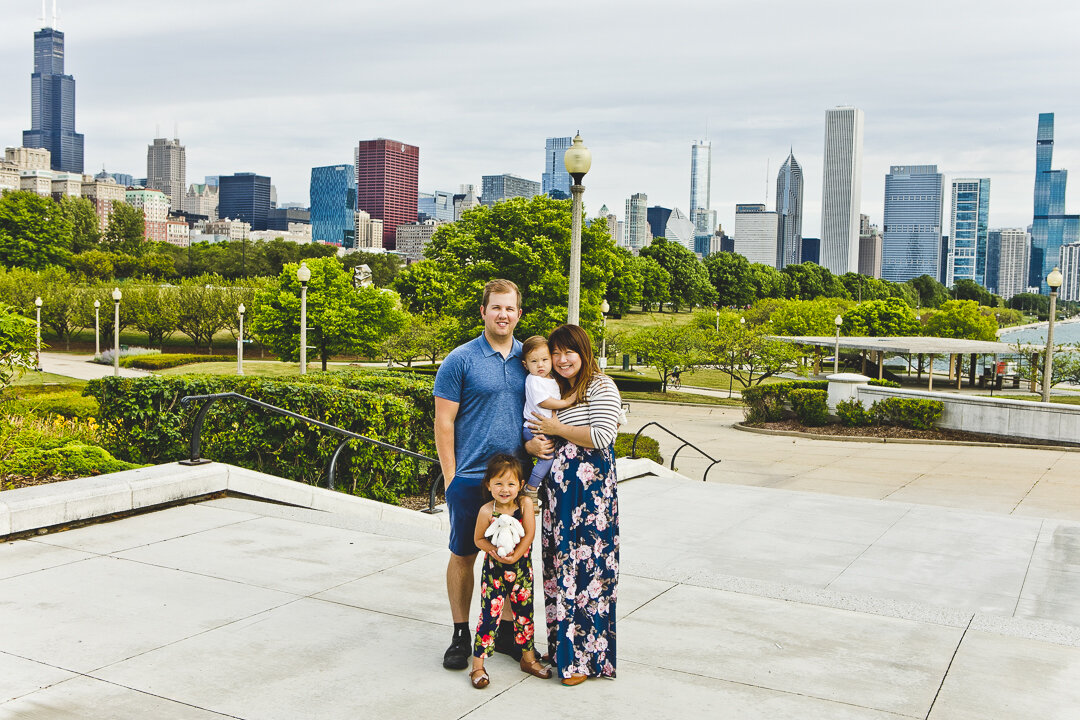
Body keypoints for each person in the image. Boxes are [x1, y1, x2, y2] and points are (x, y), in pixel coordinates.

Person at [433, 279, 553, 671]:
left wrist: (536, 446)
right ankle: (460, 633)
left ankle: (503, 634)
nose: (503, 314)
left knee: (512, 557)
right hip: (470, 478)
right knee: (464, 554)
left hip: (515, 484)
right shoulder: (461, 359)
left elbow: (545, 412)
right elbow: (444, 422)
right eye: (496, 307)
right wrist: (451, 478)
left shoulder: (530, 360)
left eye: (510, 308)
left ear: (519, 313)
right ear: (483, 311)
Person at [526, 324, 620, 686]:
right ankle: (563, 647)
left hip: (590, 498)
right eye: (557, 352)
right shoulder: (555, 389)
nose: (562, 360)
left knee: (588, 572)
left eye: (570, 352)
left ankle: (584, 659)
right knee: (557, 568)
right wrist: (535, 445)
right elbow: (537, 432)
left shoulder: (600, 386)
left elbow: (600, 436)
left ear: (584, 352)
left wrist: (557, 428)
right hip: (558, 496)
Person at [468, 454, 553, 688]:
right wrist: (495, 551)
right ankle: (477, 666)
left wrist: (516, 555)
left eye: (511, 484)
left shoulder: (524, 504)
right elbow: (478, 540)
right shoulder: (487, 510)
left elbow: (529, 534)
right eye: (498, 483)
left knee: (524, 616)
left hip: (522, 570)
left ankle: (528, 659)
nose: (505, 489)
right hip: (494, 572)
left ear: (521, 485)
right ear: (488, 485)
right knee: (488, 617)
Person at [520, 336, 578, 511]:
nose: (540, 365)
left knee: (551, 459)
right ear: (525, 365)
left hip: (545, 427)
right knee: (547, 458)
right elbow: (544, 402)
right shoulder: (534, 380)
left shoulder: (550, 378)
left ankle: (537, 488)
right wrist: (567, 402)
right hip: (534, 428)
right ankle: (530, 489)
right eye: (534, 361)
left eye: (545, 360)